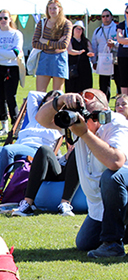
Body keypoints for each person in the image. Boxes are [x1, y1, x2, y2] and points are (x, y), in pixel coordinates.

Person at [36, 88, 128, 258]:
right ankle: (120, 232)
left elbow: (115, 162)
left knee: (112, 176)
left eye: (88, 110)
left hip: (123, 194)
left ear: (102, 111)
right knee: (85, 243)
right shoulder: (73, 125)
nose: (82, 116)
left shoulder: (116, 122)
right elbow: (41, 118)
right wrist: (61, 100)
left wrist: (85, 134)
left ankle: (113, 244)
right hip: (99, 207)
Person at [0, 91, 62, 197]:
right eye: (47, 102)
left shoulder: (58, 122)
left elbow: (51, 136)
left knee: (7, 150)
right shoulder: (36, 116)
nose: (49, 106)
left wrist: (59, 100)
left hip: (35, 151)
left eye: (53, 103)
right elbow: (32, 94)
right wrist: (49, 99)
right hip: (18, 147)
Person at [11, 146, 79, 217]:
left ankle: (65, 204)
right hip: (61, 168)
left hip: (77, 174)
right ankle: (27, 204)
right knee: (44, 149)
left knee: (77, 151)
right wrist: (66, 156)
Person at [0, 9, 23, 137]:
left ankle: (16, 125)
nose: (3, 21)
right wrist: (5, 55)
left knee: (11, 97)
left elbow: (15, 53)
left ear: (10, 19)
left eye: (5, 18)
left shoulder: (16, 34)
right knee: (0, 97)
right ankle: (3, 126)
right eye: (0, 18)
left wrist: (0, 53)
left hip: (12, 68)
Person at [32, 0, 72, 93]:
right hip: (44, 58)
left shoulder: (66, 24)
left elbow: (63, 45)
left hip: (59, 59)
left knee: (57, 94)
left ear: (60, 9)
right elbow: (35, 43)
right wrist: (55, 44)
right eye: (50, 8)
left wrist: (46, 42)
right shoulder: (42, 23)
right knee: (40, 93)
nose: (52, 11)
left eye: (54, 8)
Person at [91, 9, 119, 101]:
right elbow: (94, 46)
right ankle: (104, 104)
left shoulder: (117, 28)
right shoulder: (97, 31)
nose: (105, 18)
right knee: (103, 84)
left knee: (119, 83)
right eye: (103, 16)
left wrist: (114, 43)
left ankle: (121, 104)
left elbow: (123, 43)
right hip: (103, 60)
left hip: (116, 60)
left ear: (111, 17)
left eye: (107, 16)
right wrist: (94, 61)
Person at [65, 21, 94, 94]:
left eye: (80, 29)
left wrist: (90, 54)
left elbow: (90, 50)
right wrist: (78, 52)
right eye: (77, 28)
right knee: (72, 88)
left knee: (85, 87)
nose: (78, 30)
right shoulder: (69, 40)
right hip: (73, 67)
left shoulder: (86, 41)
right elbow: (69, 50)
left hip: (84, 67)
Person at [116, 5, 128, 96]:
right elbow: (119, 39)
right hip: (123, 55)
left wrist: (125, 40)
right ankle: (125, 100)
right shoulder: (122, 24)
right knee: (123, 79)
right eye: (127, 12)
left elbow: (122, 40)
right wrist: (123, 40)